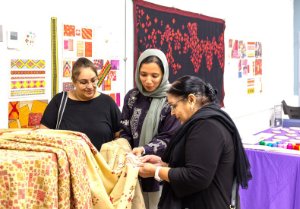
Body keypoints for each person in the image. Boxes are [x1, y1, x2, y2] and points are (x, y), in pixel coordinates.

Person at [138, 75, 252, 209]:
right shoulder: (205, 121)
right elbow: (198, 163)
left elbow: (196, 177)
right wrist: (164, 163)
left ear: (191, 99)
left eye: (174, 106)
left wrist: (157, 171)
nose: (172, 113)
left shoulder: (207, 126)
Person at [120, 49, 181, 209]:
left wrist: (143, 150)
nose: (148, 81)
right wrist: (127, 151)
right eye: (143, 74)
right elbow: (125, 128)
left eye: (154, 76)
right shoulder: (132, 97)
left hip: (159, 170)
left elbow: (169, 137)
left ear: (164, 74)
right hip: (132, 168)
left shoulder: (172, 99)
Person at [40, 57, 121, 150]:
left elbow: (120, 136)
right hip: (67, 163)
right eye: (84, 82)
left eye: (93, 80)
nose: (90, 86)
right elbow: (43, 136)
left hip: (102, 163)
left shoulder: (107, 102)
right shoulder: (59, 101)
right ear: (74, 82)